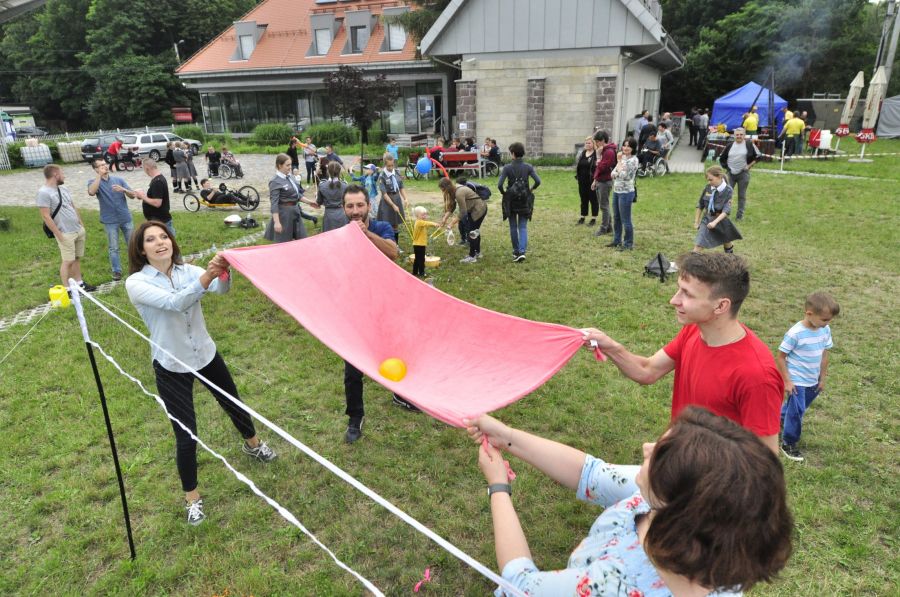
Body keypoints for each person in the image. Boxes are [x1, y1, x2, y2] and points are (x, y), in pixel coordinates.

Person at [464, 406, 793, 596]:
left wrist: (498, 487)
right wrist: (506, 436)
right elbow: (591, 474)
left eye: (659, 453)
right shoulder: (717, 537)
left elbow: (520, 584)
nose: (647, 447)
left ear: (677, 507)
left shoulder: (611, 585)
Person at [125, 221, 277, 525]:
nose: (160, 243)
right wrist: (207, 274)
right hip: (172, 365)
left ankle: (254, 445)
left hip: (205, 353)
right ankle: (192, 498)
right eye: (151, 240)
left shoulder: (188, 271)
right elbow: (174, 302)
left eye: (164, 236)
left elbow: (221, 289)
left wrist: (223, 271)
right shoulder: (137, 283)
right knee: (186, 434)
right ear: (142, 249)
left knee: (234, 403)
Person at [582, 252, 784, 452]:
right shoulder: (694, 331)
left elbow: (763, 465)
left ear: (721, 305)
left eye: (687, 294)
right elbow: (648, 370)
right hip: (679, 465)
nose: (673, 300)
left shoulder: (757, 376)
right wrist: (610, 346)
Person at [339, 185, 400, 443]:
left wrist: (367, 235)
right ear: (343, 208)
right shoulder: (337, 236)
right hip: (354, 310)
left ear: (368, 207)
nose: (355, 211)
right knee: (353, 369)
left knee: (395, 354)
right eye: (350, 206)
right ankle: (356, 417)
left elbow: (394, 252)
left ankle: (402, 395)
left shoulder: (382, 228)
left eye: (359, 205)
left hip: (385, 305)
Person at [775, 291, 840, 462]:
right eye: (825, 319)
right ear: (809, 314)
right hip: (796, 380)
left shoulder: (824, 330)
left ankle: (779, 420)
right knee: (797, 412)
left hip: (813, 379)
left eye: (830, 320)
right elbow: (781, 357)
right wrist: (787, 381)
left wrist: (822, 378)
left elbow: (824, 354)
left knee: (797, 408)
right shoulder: (795, 333)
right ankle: (788, 442)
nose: (828, 323)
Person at [36, 164, 97, 292]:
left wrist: (81, 224)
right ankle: (67, 289)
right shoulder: (43, 193)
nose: (64, 176)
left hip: (77, 230)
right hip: (65, 233)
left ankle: (79, 283)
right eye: (62, 173)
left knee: (76, 258)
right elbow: (46, 217)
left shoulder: (64, 189)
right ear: (55, 175)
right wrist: (59, 235)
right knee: (67, 261)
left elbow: (72, 206)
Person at [87, 158, 135, 281]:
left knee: (132, 244)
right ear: (96, 169)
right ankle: (116, 271)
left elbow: (133, 195)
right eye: (101, 165)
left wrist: (124, 190)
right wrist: (99, 176)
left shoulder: (118, 180)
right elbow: (91, 192)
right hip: (110, 220)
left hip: (125, 217)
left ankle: (136, 267)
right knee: (114, 247)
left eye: (105, 164)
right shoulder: (93, 182)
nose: (105, 166)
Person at [498, 142, 540, 262]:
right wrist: (531, 189)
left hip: (511, 200)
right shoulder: (528, 167)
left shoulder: (507, 168)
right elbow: (538, 181)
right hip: (524, 199)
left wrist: (504, 193)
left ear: (513, 154)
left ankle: (516, 251)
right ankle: (522, 251)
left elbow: (499, 185)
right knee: (523, 226)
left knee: (513, 226)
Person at [264, 153, 319, 242]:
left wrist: (310, 202)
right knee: (284, 243)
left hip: (295, 211)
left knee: (302, 240)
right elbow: (274, 204)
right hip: (284, 215)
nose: (290, 167)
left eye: (291, 164)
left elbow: (297, 195)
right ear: (279, 165)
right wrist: (277, 222)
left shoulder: (290, 177)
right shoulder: (275, 182)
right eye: (287, 165)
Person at [438, 176, 488, 264]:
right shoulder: (454, 190)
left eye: (443, 189)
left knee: (471, 232)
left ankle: (472, 256)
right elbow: (452, 207)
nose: (442, 192)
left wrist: (452, 223)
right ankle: (477, 253)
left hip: (479, 210)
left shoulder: (459, 193)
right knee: (474, 231)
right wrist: (444, 218)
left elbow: (463, 212)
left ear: (447, 187)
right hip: (473, 209)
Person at [694, 165, 742, 254]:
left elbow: (726, 210)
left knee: (726, 240)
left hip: (721, 219)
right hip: (707, 220)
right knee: (699, 243)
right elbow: (700, 205)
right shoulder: (708, 188)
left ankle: (730, 259)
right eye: (708, 180)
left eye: (711, 179)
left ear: (719, 177)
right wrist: (696, 222)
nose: (709, 182)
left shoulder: (728, 190)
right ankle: (692, 265)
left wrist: (715, 222)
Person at [718, 127, 759, 220]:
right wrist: (727, 167)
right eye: (737, 134)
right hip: (730, 174)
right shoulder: (729, 145)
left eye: (741, 134)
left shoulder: (749, 144)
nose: (739, 136)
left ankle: (739, 216)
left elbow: (758, 156)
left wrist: (748, 166)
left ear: (744, 135)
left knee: (741, 195)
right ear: (734, 135)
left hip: (743, 174)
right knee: (727, 195)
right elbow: (722, 158)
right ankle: (724, 215)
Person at [607, 137, 638, 251]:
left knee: (626, 219)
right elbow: (612, 174)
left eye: (628, 146)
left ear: (633, 148)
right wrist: (619, 170)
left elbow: (626, 176)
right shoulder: (623, 158)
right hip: (617, 190)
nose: (625, 148)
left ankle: (628, 243)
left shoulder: (633, 160)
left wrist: (619, 164)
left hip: (626, 193)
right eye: (624, 145)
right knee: (616, 217)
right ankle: (617, 240)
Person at [134, 159, 175, 235]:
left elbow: (157, 203)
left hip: (161, 221)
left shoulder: (157, 181)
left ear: (147, 168)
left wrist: (142, 196)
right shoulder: (158, 178)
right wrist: (143, 196)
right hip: (157, 220)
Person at [377, 153, 409, 244]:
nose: (391, 168)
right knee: (387, 224)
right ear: (384, 165)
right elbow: (384, 194)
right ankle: (387, 244)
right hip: (387, 202)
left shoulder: (397, 172)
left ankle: (396, 245)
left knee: (395, 224)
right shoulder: (382, 176)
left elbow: (401, 187)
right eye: (388, 166)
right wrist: (392, 205)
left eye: (392, 165)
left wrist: (405, 199)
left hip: (397, 199)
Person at [590, 130, 616, 236]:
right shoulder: (604, 151)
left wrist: (598, 156)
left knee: (604, 206)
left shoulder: (609, 152)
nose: (596, 144)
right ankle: (608, 227)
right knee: (603, 205)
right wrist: (595, 180)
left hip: (605, 182)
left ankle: (604, 228)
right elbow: (598, 169)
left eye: (597, 141)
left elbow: (602, 167)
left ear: (603, 140)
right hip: (600, 181)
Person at [316, 161, 349, 232]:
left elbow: (319, 202)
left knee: (329, 238)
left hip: (329, 215)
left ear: (328, 171)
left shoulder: (322, 185)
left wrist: (317, 196)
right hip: (342, 214)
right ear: (339, 172)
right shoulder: (345, 185)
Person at [574, 136, 598, 226]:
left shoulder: (596, 154)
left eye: (589, 143)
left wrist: (595, 180)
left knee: (593, 200)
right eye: (586, 143)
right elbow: (578, 166)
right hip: (582, 181)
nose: (587, 144)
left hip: (592, 182)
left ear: (593, 144)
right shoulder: (583, 153)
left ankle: (593, 218)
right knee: (583, 199)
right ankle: (582, 216)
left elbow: (597, 168)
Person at [411, 206, 438, 276]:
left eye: (425, 214)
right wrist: (434, 224)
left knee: (417, 259)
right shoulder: (419, 222)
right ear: (417, 216)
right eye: (422, 214)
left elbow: (425, 224)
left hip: (417, 244)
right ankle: (422, 273)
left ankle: (415, 272)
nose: (425, 216)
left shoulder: (420, 222)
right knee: (421, 259)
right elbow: (426, 223)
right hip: (419, 245)